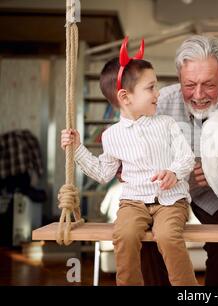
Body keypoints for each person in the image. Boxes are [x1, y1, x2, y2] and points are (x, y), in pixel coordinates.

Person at [60, 38, 197, 286]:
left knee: (167, 236)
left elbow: (186, 157)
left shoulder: (166, 124)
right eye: (151, 88)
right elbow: (103, 173)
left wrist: (174, 172)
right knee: (123, 234)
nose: (158, 94)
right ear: (125, 96)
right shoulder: (112, 136)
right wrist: (77, 149)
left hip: (171, 200)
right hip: (133, 202)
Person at [140, 35, 218, 286]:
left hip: (213, 192)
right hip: (166, 191)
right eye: (189, 84)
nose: (198, 95)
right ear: (179, 80)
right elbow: (129, 140)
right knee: (149, 239)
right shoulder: (158, 102)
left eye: (209, 84)